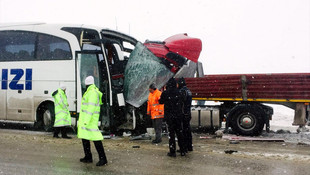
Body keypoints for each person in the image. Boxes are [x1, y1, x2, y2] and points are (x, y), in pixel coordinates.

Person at [78, 76, 108, 166]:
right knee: (85, 137)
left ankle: (103, 159)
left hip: (90, 120)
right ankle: (88, 156)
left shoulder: (92, 93)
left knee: (96, 139)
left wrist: (86, 121)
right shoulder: (91, 92)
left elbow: (90, 108)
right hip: (87, 120)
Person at [159, 78, 186, 157]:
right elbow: (183, 100)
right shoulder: (179, 92)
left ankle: (172, 151)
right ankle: (182, 150)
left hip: (169, 117)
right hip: (178, 116)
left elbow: (161, 102)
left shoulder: (165, 93)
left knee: (171, 134)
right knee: (180, 133)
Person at [178, 77, 193, 152]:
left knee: (183, 131)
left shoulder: (182, 91)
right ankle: (189, 146)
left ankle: (184, 147)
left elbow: (181, 103)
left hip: (184, 114)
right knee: (188, 131)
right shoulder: (188, 91)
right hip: (188, 113)